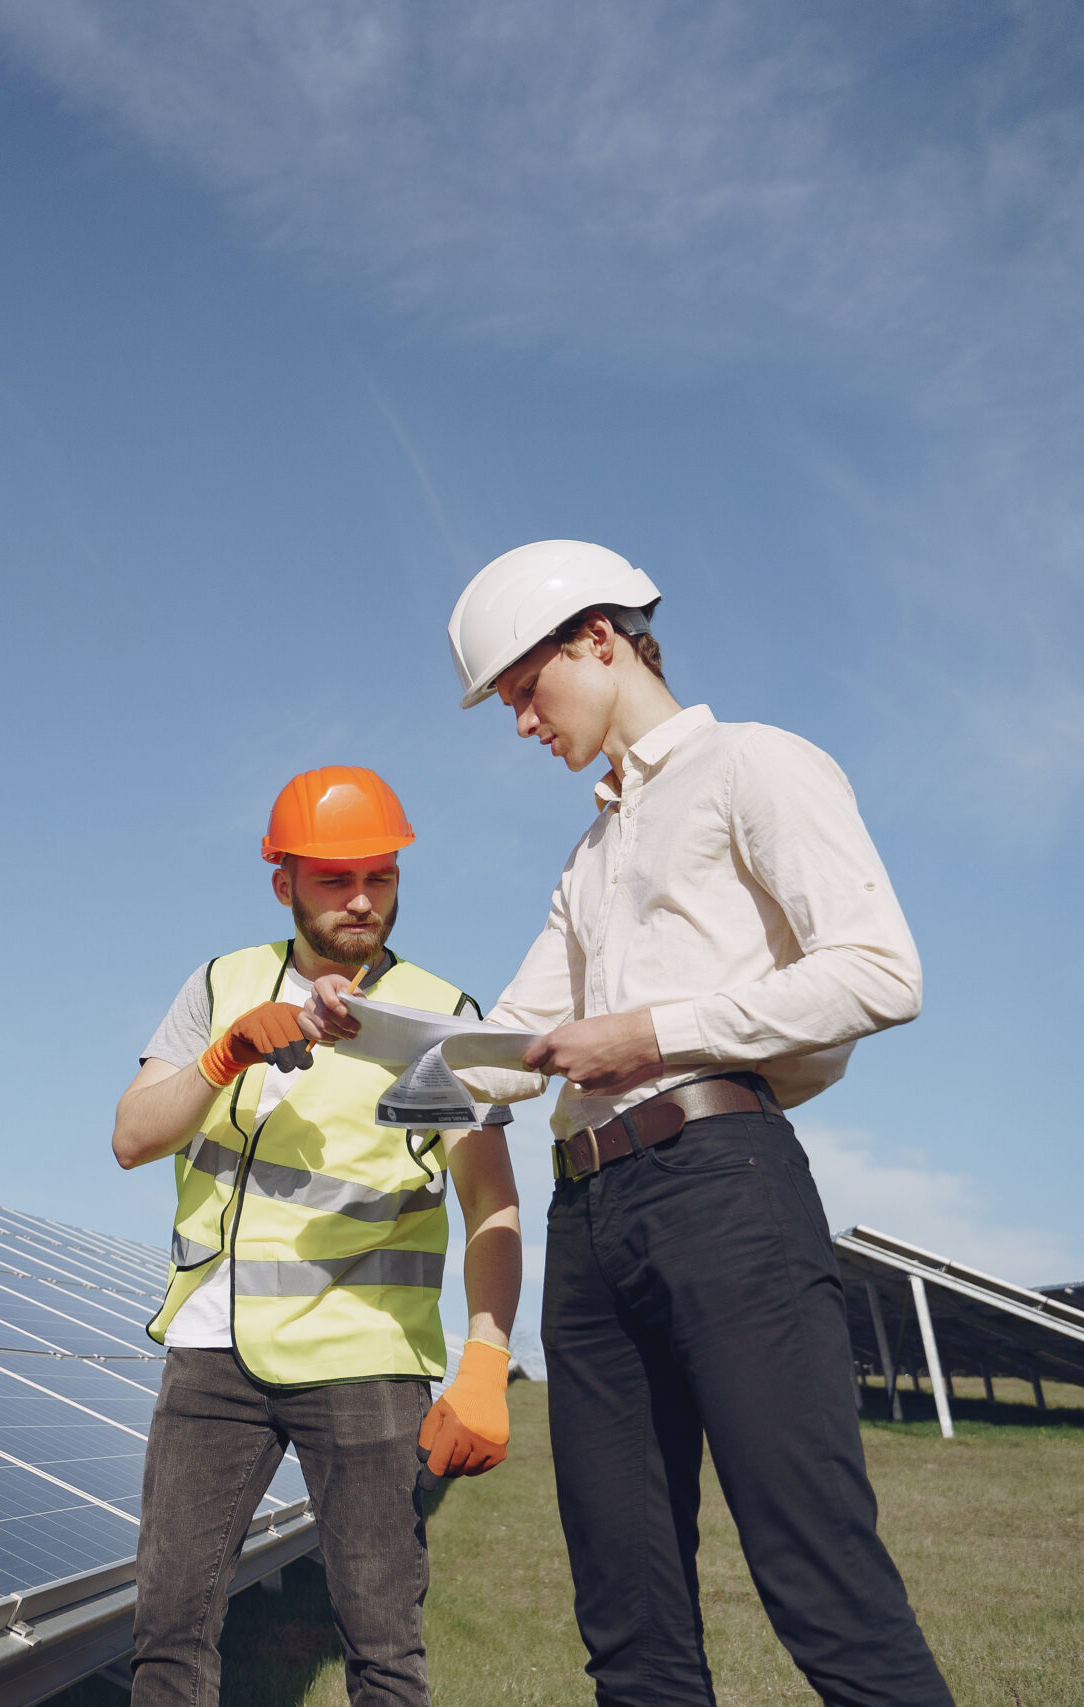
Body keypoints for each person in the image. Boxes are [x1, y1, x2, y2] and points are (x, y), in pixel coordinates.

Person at [317, 539, 948, 1704]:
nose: (518, 727)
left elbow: (880, 972)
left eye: (522, 693)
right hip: (587, 1226)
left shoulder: (756, 765)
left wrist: (652, 1031)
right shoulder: (590, 854)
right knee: (625, 1610)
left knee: (820, 1581)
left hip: (722, 1187)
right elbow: (511, 1044)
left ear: (597, 640)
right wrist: (367, 1034)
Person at [113, 766, 522, 1707]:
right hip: (213, 1351)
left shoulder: (440, 1016)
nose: (361, 899)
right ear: (282, 881)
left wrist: (487, 1359)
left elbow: (489, 1203)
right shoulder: (219, 985)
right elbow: (133, 1137)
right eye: (335, 879)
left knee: (383, 1648)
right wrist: (224, 1054)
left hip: (367, 1358)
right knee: (167, 1636)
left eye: (379, 876)